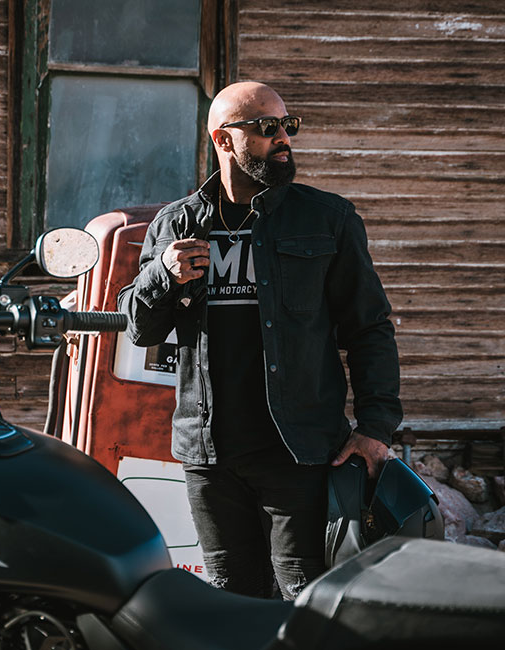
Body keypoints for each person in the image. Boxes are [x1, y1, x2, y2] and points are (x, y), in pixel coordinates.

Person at [118, 81, 403, 599]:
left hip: (301, 451)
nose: (284, 138)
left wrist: (375, 427)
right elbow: (141, 328)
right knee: (231, 597)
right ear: (223, 140)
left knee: (306, 596)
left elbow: (369, 328)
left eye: (288, 126)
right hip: (211, 455)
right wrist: (163, 273)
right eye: (267, 127)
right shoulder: (177, 223)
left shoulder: (327, 219)